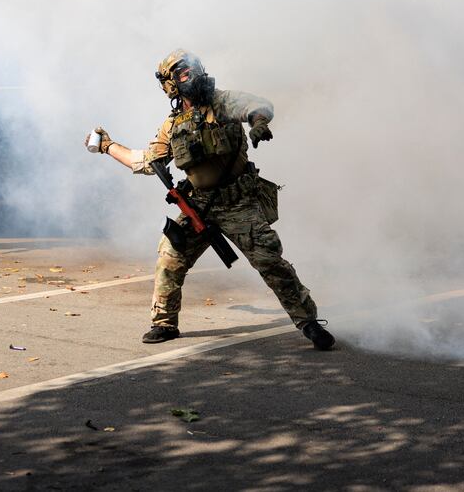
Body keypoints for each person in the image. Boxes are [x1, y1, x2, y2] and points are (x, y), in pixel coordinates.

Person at [86, 50, 335, 350]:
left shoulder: (223, 101)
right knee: (170, 257)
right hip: (199, 206)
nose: (191, 75)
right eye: (181, 73)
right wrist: (108, 146)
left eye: (192, 69)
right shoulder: (172, 126)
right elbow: (143, 162)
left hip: (238, 204)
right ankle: (164, 322)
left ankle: (307, 321)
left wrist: (258, 123)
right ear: (171, 85)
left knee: (270, 261)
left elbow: (259, 106)